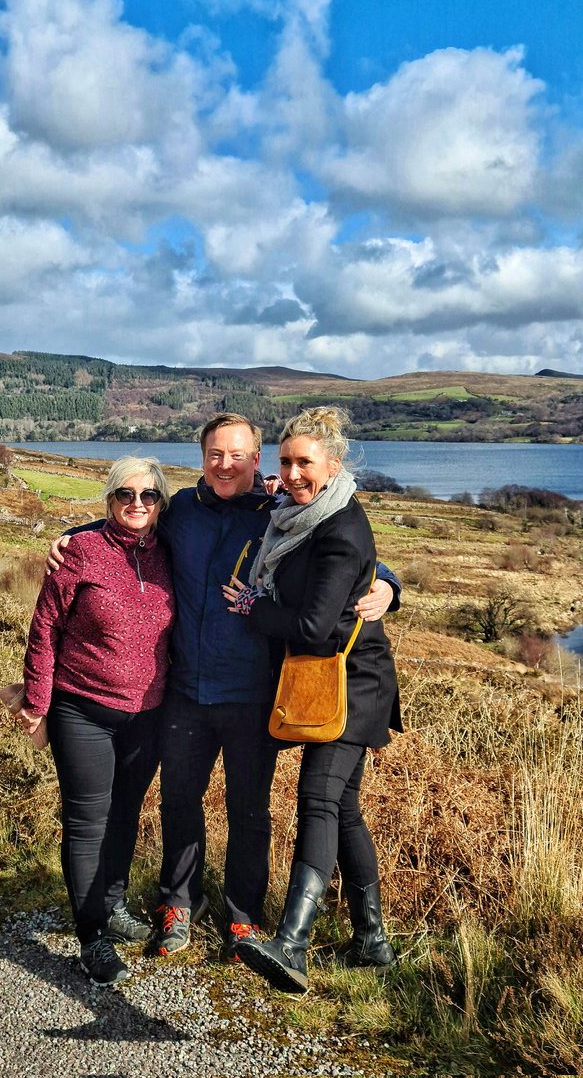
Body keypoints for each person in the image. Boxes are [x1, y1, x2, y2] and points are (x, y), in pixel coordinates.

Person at [47, 413, 400, 961]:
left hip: (253, 693)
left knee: (249, 812)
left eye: (239, 455)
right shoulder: (182, 509)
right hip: (185, 689)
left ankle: (243, 919)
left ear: (256, 460)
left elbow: (347, 548)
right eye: (216, 454)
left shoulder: (279, 512)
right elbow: (126, 526)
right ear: (202, 458)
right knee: (180, 802)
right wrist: (70, 537)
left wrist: (389, 583)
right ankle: (179, 906)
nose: (226, 464)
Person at [222, 406, 400, 994]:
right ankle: (372, 940)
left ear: (334, 463)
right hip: (334, 678)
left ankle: (292, 945)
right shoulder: (294, 516)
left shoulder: (340, 527)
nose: (293, 474)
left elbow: (316, 628)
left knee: (318, 798)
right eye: (285, 462)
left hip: (353, 680)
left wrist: (252, 609)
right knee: (342, 807)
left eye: (305, 463)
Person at [18, 457, 174, 986]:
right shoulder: (81, 551)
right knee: (87, 823)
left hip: (147, 716)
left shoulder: (168, 552)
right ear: (108, 499)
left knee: (126, 814)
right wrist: (37, 704)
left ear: (160, 503)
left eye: (149, 496)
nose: (137, 504)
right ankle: (92, 937)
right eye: (125, 494)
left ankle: (111, 904)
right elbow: (45, 630)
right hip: (82, 709)